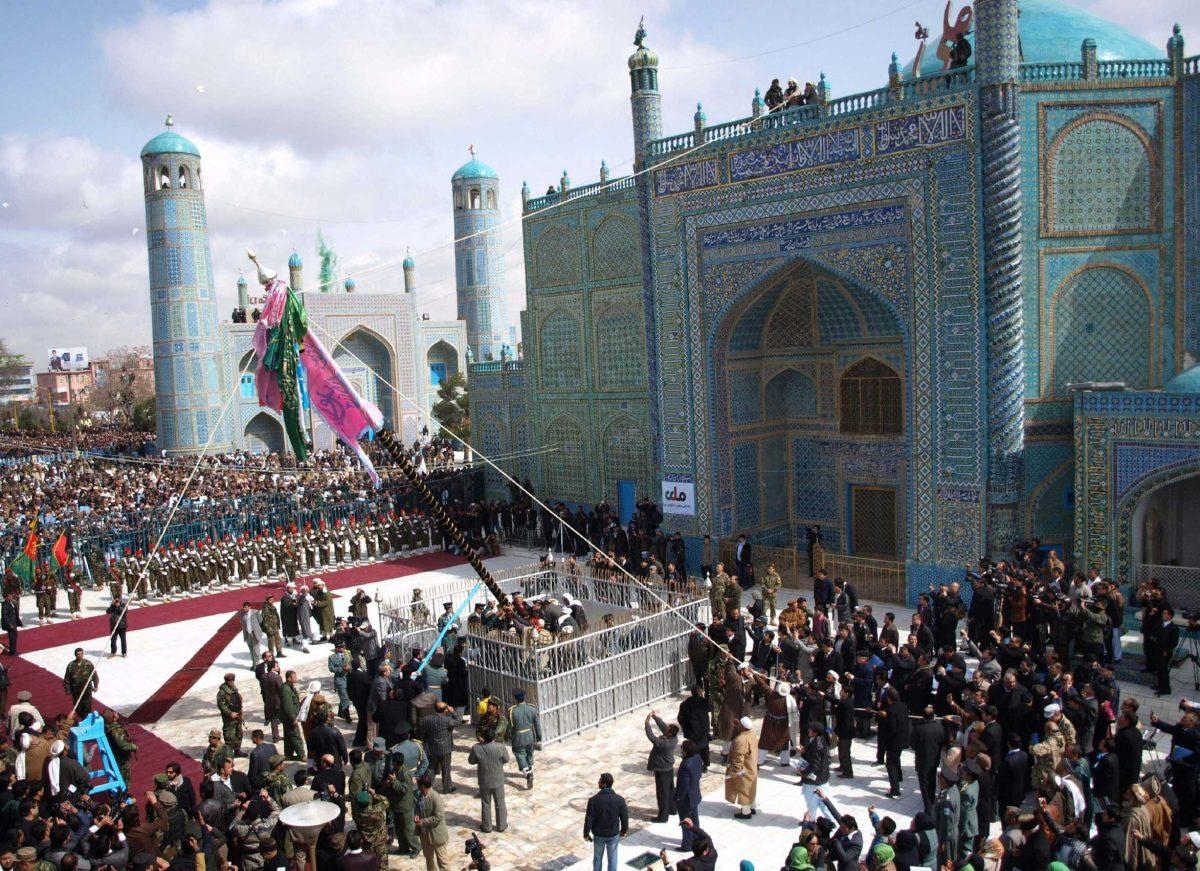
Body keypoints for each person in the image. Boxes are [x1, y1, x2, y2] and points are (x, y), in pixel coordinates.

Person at [467, 726, 509, 833]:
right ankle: (502, 825)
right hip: (498, 779)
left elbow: (471, 761)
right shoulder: (500, 747)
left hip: (484, 780)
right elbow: (506, 759)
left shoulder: (476, 748)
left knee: (486, 803)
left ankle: (487, 826)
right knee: (500, 803)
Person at [584, 772, 629, 871]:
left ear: (604, 784)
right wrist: (624, 831)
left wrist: (586, 833)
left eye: (600, 781)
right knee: (613, 858)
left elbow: (589, 819)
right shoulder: (620, 800)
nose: (598, 782)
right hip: (613, 834)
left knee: (597, 858)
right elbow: (624, 818)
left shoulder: (593, 800)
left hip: (599, 835)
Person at [644, 710, 678, 822]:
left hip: (662, 770)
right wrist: (655, 717)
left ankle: (663, 816)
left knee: (662, 793)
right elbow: (664, 727)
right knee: (670, 789)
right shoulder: (673, 738)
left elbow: (652, 737)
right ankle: (673, 809)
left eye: (667, 730)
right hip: (668, 768)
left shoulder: (663, 742)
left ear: (669, 733)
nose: (665, 729)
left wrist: (647, 723)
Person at [414, 773, 450, 871]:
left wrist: (422, 822)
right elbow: (418, 808)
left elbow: (438, 817)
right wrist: (417, 815)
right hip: (425, 835)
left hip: (437, 835)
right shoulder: (420, 796)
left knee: (442, 862)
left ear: (422, 786)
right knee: (429, 860)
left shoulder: (436, 798)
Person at [726, 715, 759, 819]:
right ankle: (752, 806)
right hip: (752, 767)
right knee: (750, 788)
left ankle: (746, 812)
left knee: (743, 789)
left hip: (743, 770)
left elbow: (738, 757)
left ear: (743, 727)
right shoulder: (752, 732)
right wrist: (738, 725)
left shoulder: (741, 740)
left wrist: (734, 771)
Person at [509, 688, 542, 788]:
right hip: (529, 736)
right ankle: (531, 769)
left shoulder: (512, 711)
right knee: (529, 753)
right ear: (524, 697)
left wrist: (510, 737)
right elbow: (537, 725)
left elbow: (510, 727)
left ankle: (527, 774)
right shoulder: (532, 709)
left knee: (520, 754)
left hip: (518, 737)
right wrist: (539, 737)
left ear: (515, 699)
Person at [673, 740, 703, 850]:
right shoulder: (697, 758)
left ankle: (687, 845)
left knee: (686, 821)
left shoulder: (685, 765)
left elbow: (683, 786)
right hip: (695, 794)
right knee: (695, 819)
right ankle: (697, 838)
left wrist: (677, 798)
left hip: (686, 799)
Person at [1153, 608, 1180, 695]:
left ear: (1170, 616)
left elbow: (1174, 642)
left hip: (1165, 653)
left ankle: (1165, 689)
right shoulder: (1161, 624)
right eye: (1163, 613)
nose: (1163, 615)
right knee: (1158, 669)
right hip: (1158, 650)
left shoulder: (1173, 628)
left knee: (1163, 670)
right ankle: (1160, 685)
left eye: (1165, 614)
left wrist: (1167, 651)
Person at [63, 647, 98, 713]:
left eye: (81, 654)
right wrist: (67, 690)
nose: (80, 655)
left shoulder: (88, 664)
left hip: (86, 690)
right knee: (78, 708)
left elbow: (94, 676)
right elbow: (67, 679)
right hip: (76, 691)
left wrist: (96, 686)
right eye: (78, 654)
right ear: (75, 655)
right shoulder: (71, 665)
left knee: (87, 707)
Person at [280, 669, 304, 760]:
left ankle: (288, 754)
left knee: (288, 736)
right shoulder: (286, 690)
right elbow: (288, 706)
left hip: (287, 718)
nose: (296, 678)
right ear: (289, 678)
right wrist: (293, 718)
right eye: (294, 677)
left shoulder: (289, 687)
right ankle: (301, 755)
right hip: (290, 718)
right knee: (295, 735)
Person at [239, 602, 264, 667]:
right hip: (247, 634)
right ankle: (254, 664)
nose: (244, 608)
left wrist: (256, 627)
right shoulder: (242, 614)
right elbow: (242, 623)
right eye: (244, 607)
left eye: (246, 607)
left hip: (255, 633)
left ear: (250, 607)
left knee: (256, 650)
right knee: (251, 650)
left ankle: (257, 664)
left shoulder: (255, 612)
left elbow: (260, 620)